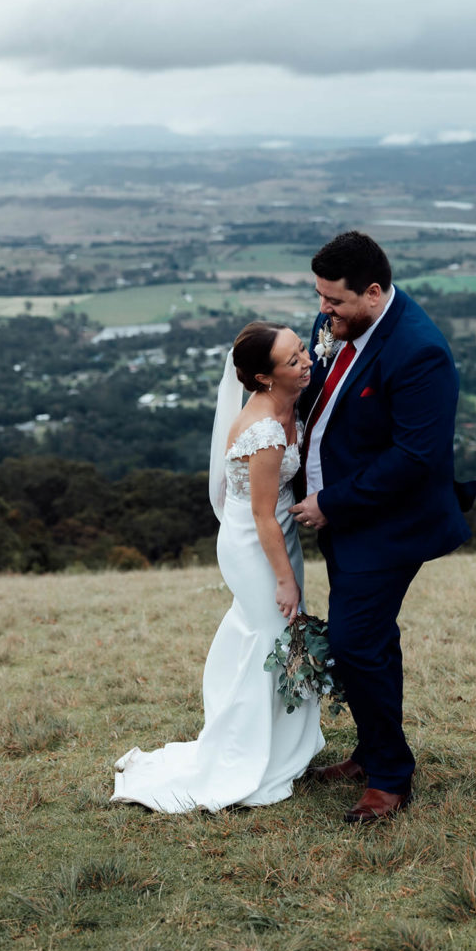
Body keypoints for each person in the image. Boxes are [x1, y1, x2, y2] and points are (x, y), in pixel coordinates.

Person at [290, 231, 476, 823]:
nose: (323, 311)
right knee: (370, 641)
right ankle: (372, 751)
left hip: (387, 524)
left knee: (353, 640)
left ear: (373, 293)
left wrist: (332, 503)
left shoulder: (418, 350)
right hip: (344, 517)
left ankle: (391, 778)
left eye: (335, 301)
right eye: (319, 296)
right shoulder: (347, 321)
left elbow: (416, 456)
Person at [111, 322, 324, 812]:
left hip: (273, 538)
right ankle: (246, 755)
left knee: (274, 636)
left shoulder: (284, 404)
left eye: (301, 351)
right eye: (293, 360)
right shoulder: (266, 432)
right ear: (264, 378)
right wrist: (285, 580)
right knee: (272, 636)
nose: (306, 360)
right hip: (257, 545)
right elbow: (260, 515)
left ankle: (282, 744)